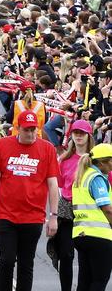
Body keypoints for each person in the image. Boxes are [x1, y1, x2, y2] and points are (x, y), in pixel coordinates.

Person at [0, 110, 59, 291]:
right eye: (27, 130)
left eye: (34, 129)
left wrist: (54, 215)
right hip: (7, 216)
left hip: (33, 217)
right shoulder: (3, 145)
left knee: (26, 264)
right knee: (6, 261)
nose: (31, 134)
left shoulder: (47, 148)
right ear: (17, 128)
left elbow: (53, 184)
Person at [51, 119, 95, 291]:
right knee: (66, 255)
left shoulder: (95, 160)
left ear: (88, 136)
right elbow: (59, 185)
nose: (78, 136)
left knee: (86, 257)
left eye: (82, 133)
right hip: (67, 210)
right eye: (75, 133)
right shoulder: (64, 159)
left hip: (88, 211)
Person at [71, 143, 112, 291]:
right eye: (111, 160)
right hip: (98, 235)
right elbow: (107, 209)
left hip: (81, 235)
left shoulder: (82, 176)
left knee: (85, 281)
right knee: (100, 280)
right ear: (102, 162)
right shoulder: (97, 178)